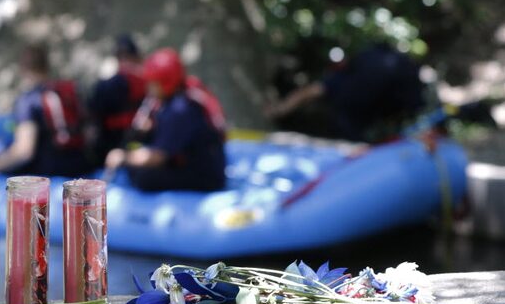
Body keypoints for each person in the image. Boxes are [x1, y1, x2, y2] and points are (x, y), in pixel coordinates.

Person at [104, 48, 227, 192]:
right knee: (137, 168)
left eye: (153, 83)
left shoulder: (180, 108)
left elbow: (157, 157)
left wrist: (123, 157)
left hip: (207, 176)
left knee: (143, 177)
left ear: (166, 82)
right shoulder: (180, 96)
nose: (149, 88)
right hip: (194, 162)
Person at [265, 42, 426, 142]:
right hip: (355, 116)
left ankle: (278, 111)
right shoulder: (410, 79)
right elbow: (406, 113)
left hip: (348, 96)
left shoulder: (382, 53)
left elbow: (351, 63)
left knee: (314, 90)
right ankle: (280, 112)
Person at [0, 44, 91, 177]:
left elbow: (24, 152)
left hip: (49, 171)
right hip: (81, 164)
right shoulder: (69, 90)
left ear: (23, 69)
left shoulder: (28, 101)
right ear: (47, 66)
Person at [87, 35, 147, 163]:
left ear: (117, 58)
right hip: (139, 147)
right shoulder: (150, 82)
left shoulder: (105, 85)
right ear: (136, 56)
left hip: (109, 150)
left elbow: (93, 118)